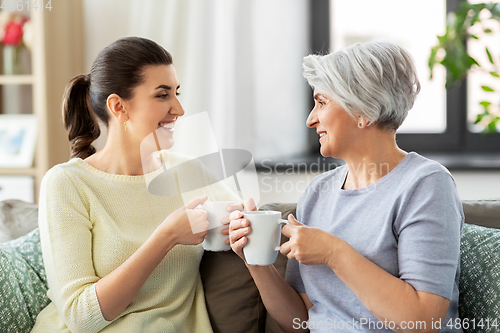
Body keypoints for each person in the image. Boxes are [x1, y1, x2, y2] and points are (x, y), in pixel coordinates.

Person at [228, 41, 463, 333]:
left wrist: (334, 253)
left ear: (362, 110)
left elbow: (423, 320)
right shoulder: (318, 192)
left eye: (322, 102)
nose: (310, 119)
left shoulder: (426, 185)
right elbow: (301, 321)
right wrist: (256, 261)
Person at [32, 37, 242, 333]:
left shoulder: (189, 172)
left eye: (176, 93)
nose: (179, 109)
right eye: (162, 96)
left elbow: (244, 218)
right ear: (119, 107)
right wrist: (166, 236)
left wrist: (247, 223)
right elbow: (80, 317)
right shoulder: (67, 184)